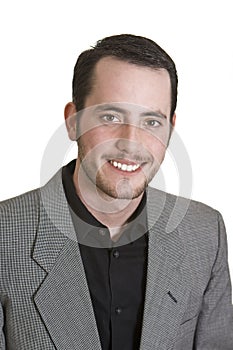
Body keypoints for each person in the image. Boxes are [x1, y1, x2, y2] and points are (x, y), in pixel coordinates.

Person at [0, 34, 232, 350]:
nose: (131, 142)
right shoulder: (5, 236)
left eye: (151, 121)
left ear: (170, 130)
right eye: (111, 117)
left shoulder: (206, 233)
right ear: (72, 121)